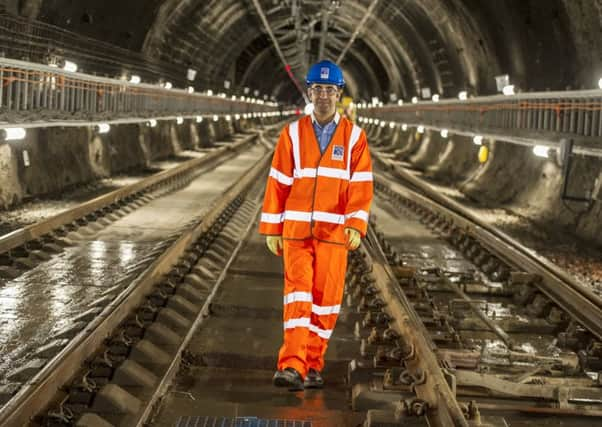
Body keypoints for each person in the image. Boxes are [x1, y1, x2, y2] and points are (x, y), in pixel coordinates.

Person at [259, 59, 373, 390]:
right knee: (298, 298)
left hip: (335, 234)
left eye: (329, 90)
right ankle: (291, 365)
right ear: (309, 92)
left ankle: (311, 365)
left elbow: (361, 183)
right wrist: (271, 227)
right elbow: (278, 181)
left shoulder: (355, 138)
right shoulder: (291, 134)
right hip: (296, 231)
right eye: (318, 89)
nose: (323, 95)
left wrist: (356, 223)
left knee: (326, 303)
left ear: (338, 94)